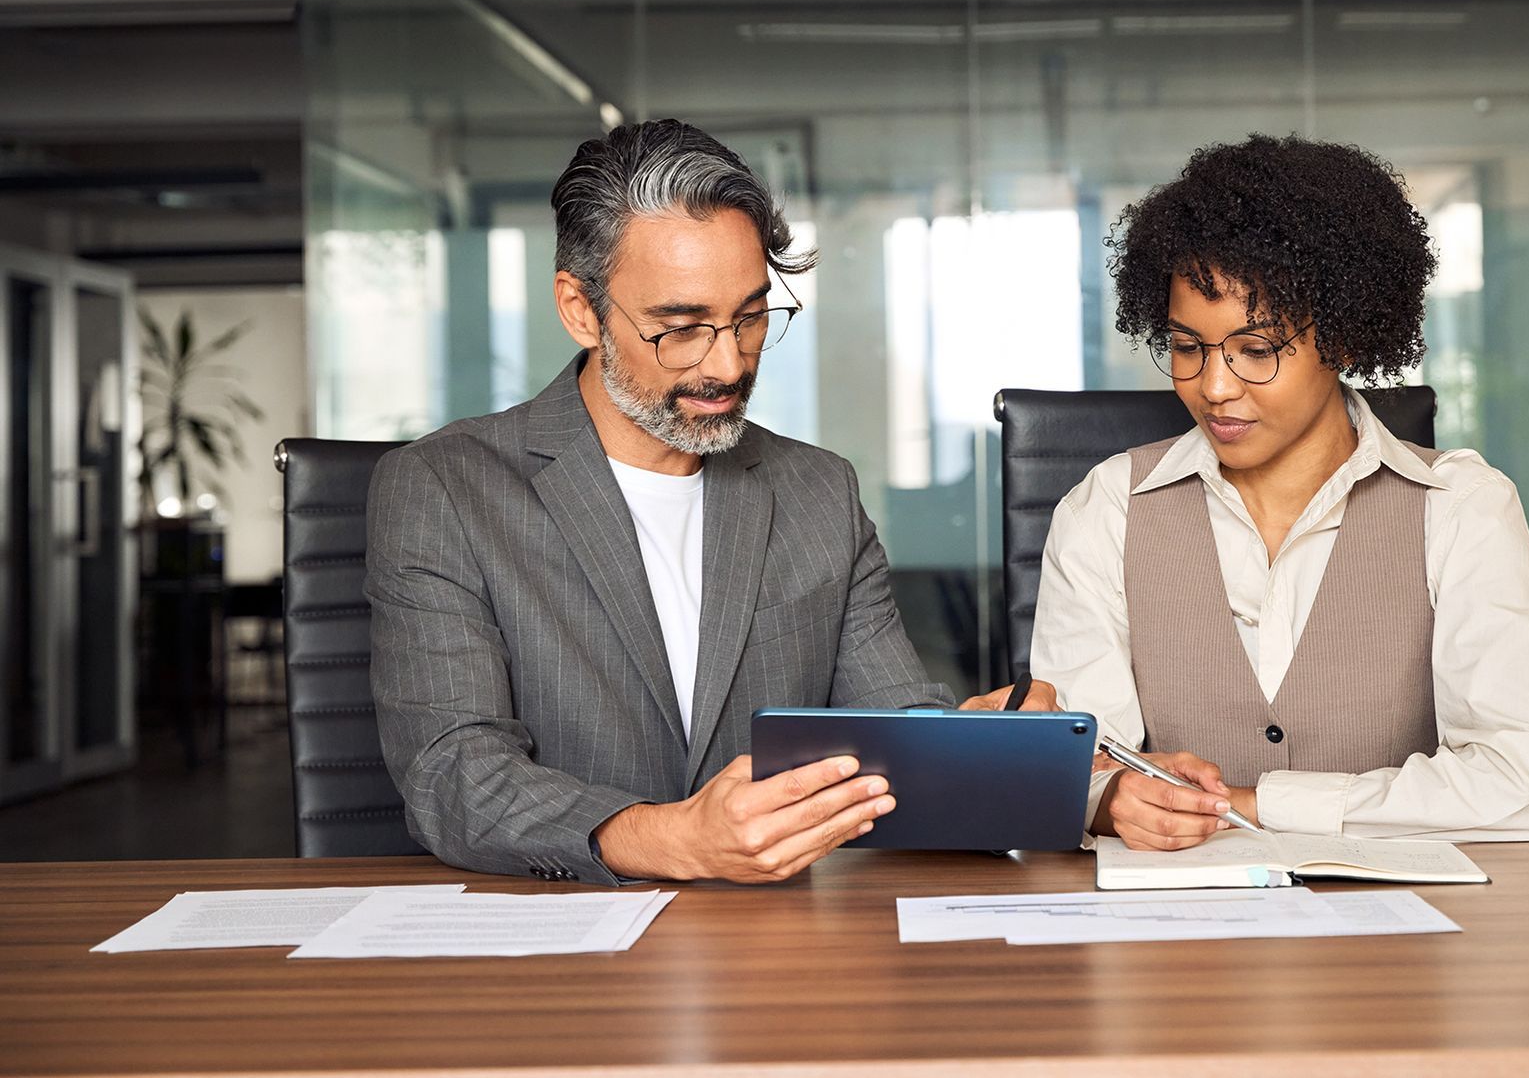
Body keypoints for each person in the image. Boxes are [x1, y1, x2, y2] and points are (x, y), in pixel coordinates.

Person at [366, 119, 1049, 886]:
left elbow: (892, 735)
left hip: (773, 952)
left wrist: (986, 753)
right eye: (680, 328)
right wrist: (671, 838)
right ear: (580, 310)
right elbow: (455, 775)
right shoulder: (446, 489)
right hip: (556, 953)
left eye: (752, 316)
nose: (726, 363)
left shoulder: (817, 491)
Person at [1031, 134, 1529, 850]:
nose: (1215, 386)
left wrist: (1257, 804)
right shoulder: (1107, 508)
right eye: (1189, 347)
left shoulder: (1461, 508)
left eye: (1257, 350)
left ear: (1346, 337)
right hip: (1176, 942)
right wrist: (1108, 799)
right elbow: (1084, 765)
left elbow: (1526, 785)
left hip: (1413, 941)